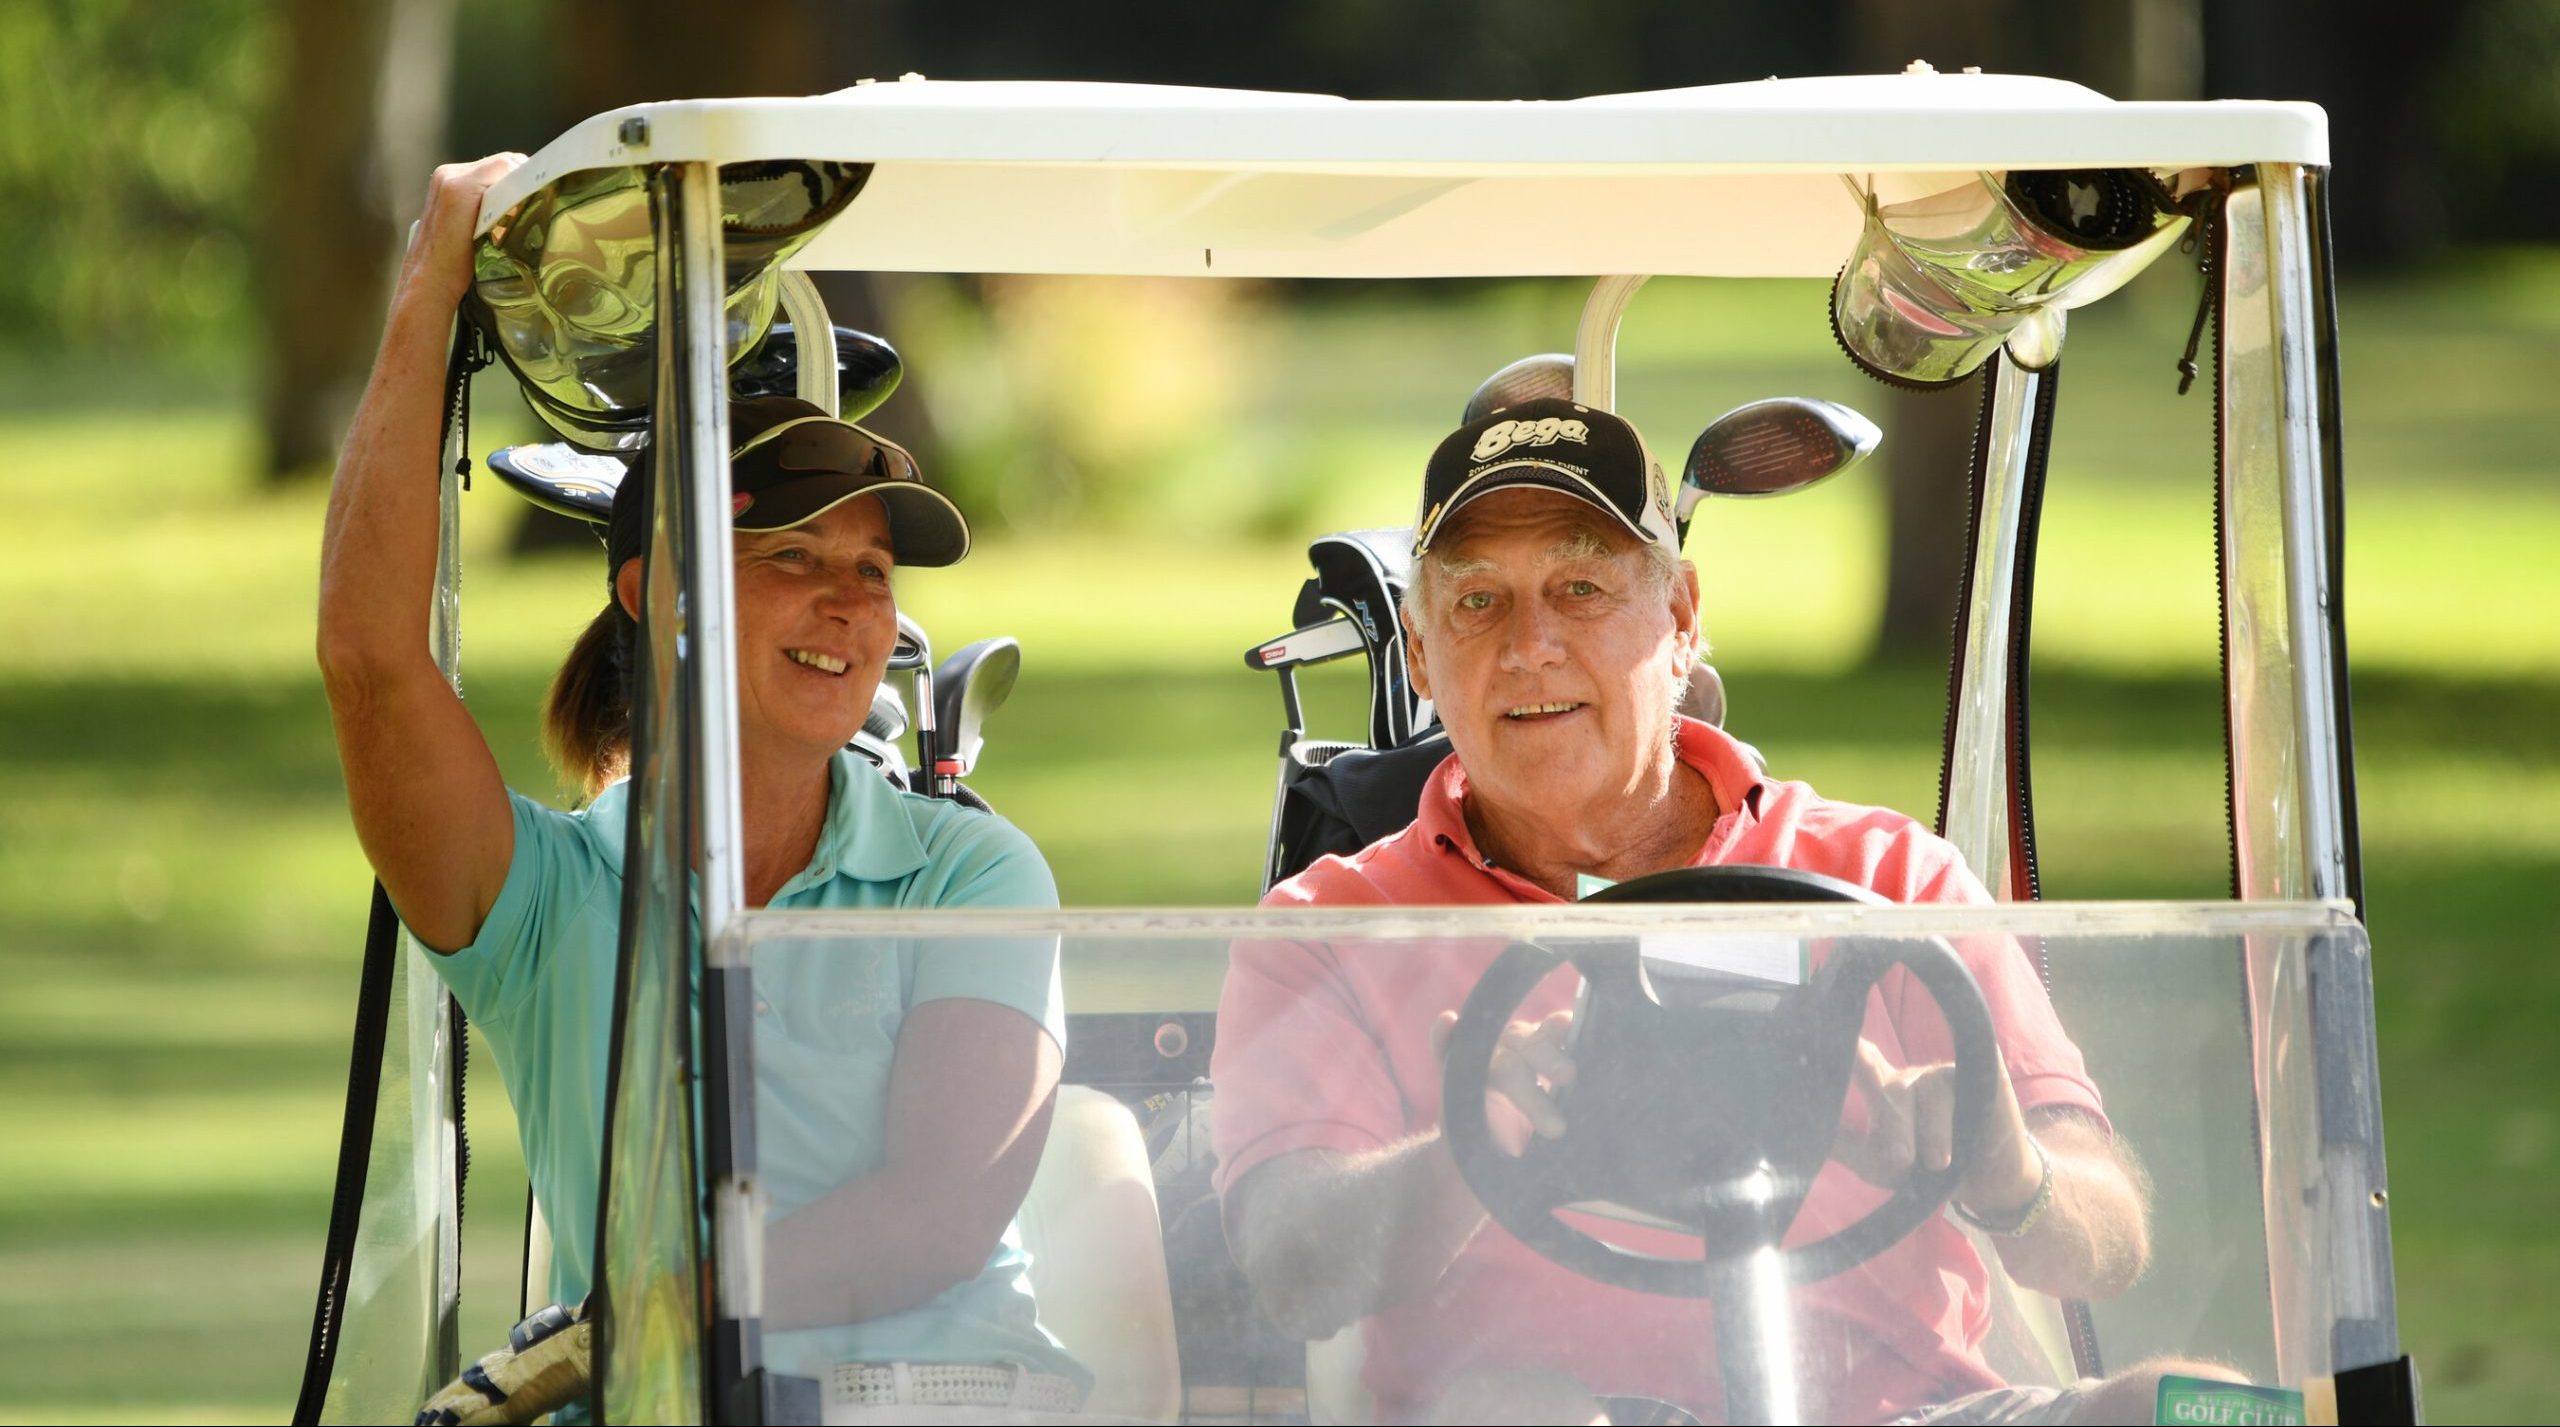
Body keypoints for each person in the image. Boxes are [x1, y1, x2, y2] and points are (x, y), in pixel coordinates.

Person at [1209, 397, 2210, 1424]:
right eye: (1476, 603)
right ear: (1421, 656)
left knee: (2206, 1408)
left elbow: (2108, 1231)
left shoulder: (1886, 870)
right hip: (1543, 1408)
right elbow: (1290, 1264)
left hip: (1898, 1408)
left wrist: (2007, 1169)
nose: (1529, 645)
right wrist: (1473, 1144)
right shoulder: (1329, 921)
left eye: (1581, 587)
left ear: (1680, 619)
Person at [319, 155, 1086, 1419]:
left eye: (874, 566)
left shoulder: (972, 869)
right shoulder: (546, 903)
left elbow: (937, 1214)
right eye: (791, 556)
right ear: (655, 591)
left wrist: (630, 1322)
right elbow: (369, 662)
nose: (851, 602)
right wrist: (427, 294)